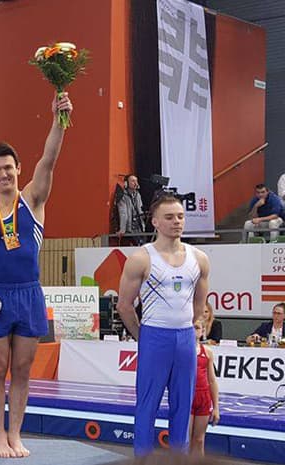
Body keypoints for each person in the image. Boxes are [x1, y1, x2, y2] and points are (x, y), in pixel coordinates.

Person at [0, 93, 72, 458]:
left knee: (22, 369)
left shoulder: (34, 200)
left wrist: (58, 120)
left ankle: (16, 434)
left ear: (18, 169)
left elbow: (50, 159)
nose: (3, 174)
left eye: (9, 167)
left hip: (29, 294)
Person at [116, 192, 210, 457]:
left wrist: (191, 328)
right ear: (155, 222)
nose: (176, 222)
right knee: (147, 405)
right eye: (169, 217)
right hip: (154, 336)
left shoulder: (199, 258)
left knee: (183, 406)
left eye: (180, 216)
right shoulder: (141, 259)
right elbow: (124, 305)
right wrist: (142, 337)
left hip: (184, 338)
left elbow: (200, 305)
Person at [189, 319, 219, 456]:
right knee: (185, 441)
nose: (194, 330)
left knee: (199, 441)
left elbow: (212, 381)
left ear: (202, 331)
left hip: (203, 398)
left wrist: (216, 408)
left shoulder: (207, 352)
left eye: (196, 328)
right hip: (187, 397)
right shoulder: (181, 351)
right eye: (191, 327)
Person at [117, 174, 145, 245]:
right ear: (126, 183)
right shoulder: (122, 196)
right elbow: (123, 213)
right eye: (133, 181)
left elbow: (140, 210)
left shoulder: (137, 195)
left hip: (139, 228)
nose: (135, 183)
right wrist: (122, 229)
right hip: (129, 229)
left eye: (136, 181)